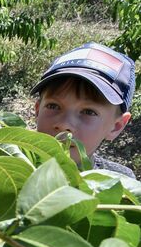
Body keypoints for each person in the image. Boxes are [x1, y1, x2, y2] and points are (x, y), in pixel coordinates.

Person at [30, 42, 137, 178]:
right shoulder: (4, 162)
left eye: (88, 112)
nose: (65, 125)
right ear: (38, 111)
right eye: (53, 106)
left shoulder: (122, 185)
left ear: (116, 126)